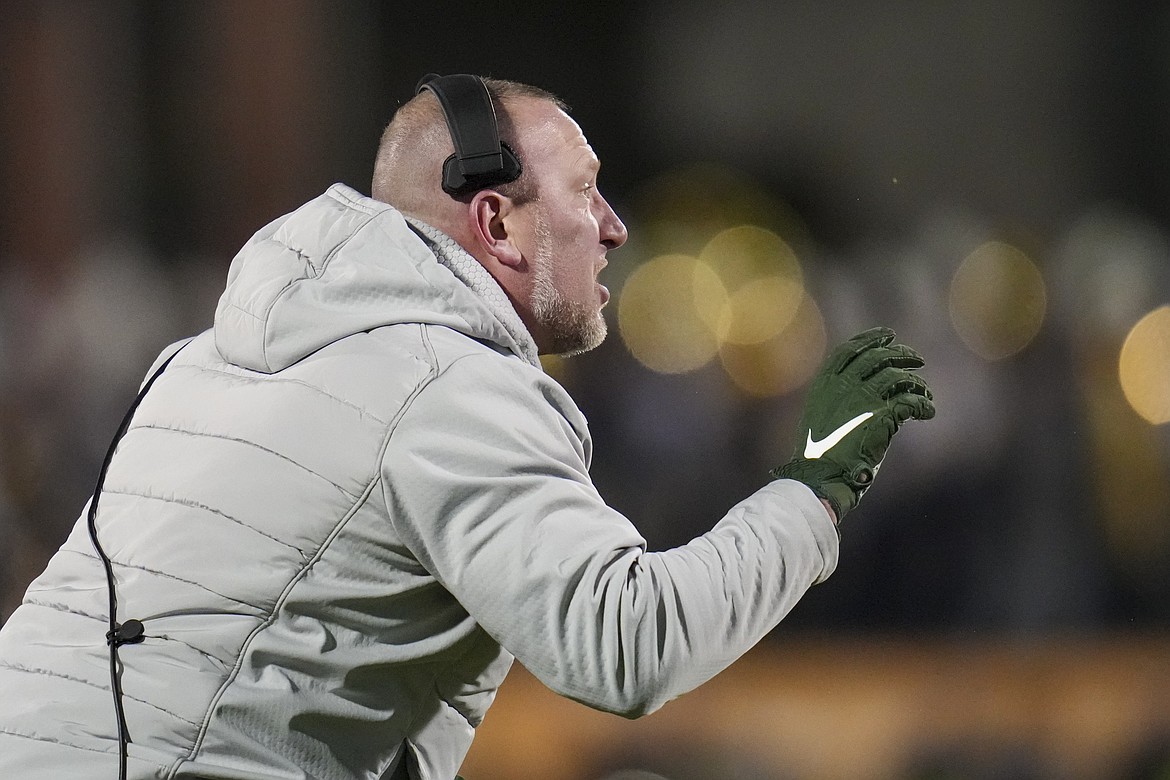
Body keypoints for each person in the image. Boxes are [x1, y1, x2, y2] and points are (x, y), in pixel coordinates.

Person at [0, 75, 934, 780]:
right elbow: (624, 644)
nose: (613, 227)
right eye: (585, 192)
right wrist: (813, 490)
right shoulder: (446, 382)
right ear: (496, 220)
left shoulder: (199, 356)